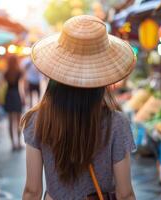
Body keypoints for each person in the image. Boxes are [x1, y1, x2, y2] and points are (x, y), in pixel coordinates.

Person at [21, 15, 136, 200]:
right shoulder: (117, 123)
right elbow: (125, 194)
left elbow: (32, 191)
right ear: (102, 75)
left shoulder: (36, 120)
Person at [4, 56, 24, 150]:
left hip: (8, 95)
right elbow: (22, 86)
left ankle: (13, 144)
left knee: (10, 122)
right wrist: (24, 98)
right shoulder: (19, 72)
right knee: (18, 121)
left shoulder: (6, 73)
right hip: (16, 95)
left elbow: (1, 85)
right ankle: (19, 143)